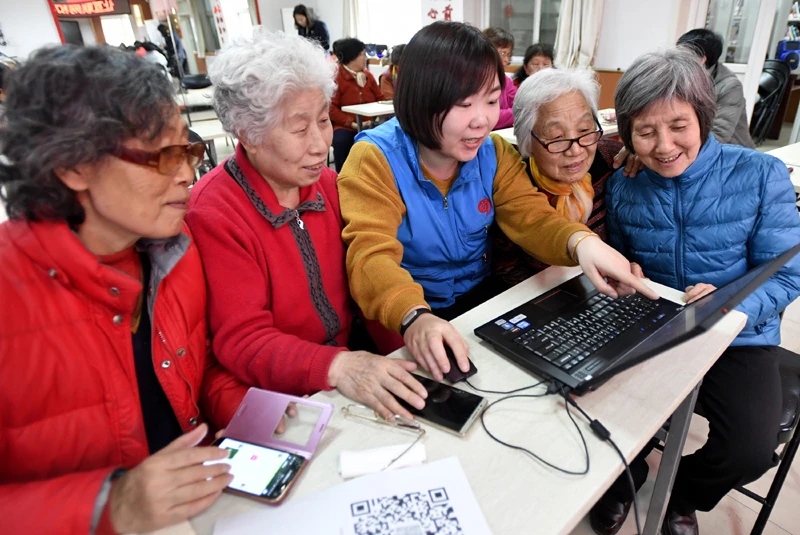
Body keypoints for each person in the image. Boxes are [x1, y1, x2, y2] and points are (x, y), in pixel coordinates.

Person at [0, 45, 251, 534]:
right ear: (73, 167)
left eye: (188, 150)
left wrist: (251, 410)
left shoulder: (172, 252)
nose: (186, 174)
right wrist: (110, 505)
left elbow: (190, 370)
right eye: (161, 156)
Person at [337, 21, 657, 384]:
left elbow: (531, 216)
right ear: (420, 99)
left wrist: (582, 242)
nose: (482, 120)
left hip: (477, 299)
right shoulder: (375, 158)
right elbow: (370, 255)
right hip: (404, 311)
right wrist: (414, 315)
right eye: (463, 104)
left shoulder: (492, 153)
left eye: (491, 100)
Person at [590, 47, 800, 535]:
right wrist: (627, 271)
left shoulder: (760, 175)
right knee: (603, 405)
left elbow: (788, 274)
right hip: (656, 322)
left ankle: (681, 492)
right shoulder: (625, 184)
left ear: (703, 117)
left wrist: (731, 304)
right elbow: (623, 255)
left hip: (737, 331)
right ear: (628, 133)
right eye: (645, 131)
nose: (664, 146)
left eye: (678, 126)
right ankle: (625, 476)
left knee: (748, 449)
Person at [186, 29, 427, 422]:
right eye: (300, 129)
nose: (320, 144)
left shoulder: (329, 187)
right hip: (273, 397)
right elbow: (243, 340)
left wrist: (411, 347)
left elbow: (364, 280)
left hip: (343, 378)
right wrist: (338, 367)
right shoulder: (214, 212)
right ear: (248, 134)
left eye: (322, 120)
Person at [492, 68, 623, 287]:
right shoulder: (514, 185)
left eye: (584, 130)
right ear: (527, 142)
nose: (576, 150)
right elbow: (506, 270)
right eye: (557, 138)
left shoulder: (614, 162)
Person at [677, 29, 755, 148]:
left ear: (701, 60)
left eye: (682, 55)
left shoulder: (729, 86)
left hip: (731, 152)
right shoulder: (680, 77)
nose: (676, 59)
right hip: (695, 145)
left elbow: (719, 134)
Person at [330, 37, 384, 171]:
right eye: (361, 54)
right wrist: (352, 123)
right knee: (341, 141)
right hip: (346, 127)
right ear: (351, 57)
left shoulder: (368, 76)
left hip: (371, 124)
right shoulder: (336, 78)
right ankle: (343, 178)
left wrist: (376, 119)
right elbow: (331, 109)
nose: (365, 58)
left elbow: (380, 99)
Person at [482, 27, 518, 129]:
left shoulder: (506, 80)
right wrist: (516, 114)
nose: (506, 60)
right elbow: (488, 116)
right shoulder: (476, 80)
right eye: (502, 54)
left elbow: (521, 104)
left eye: (508, 54)